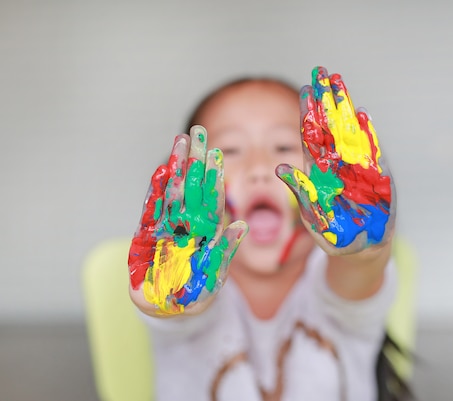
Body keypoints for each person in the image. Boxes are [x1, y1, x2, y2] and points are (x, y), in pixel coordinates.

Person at [127, 66, 412, 401]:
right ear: (189, 185)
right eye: (230, 151)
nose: (260, 168)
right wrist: (169, 293)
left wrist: (366, 249)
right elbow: (176, 311)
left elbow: (360, 268)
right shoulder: (183, 287)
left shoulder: (338, 292)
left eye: (282, 147)